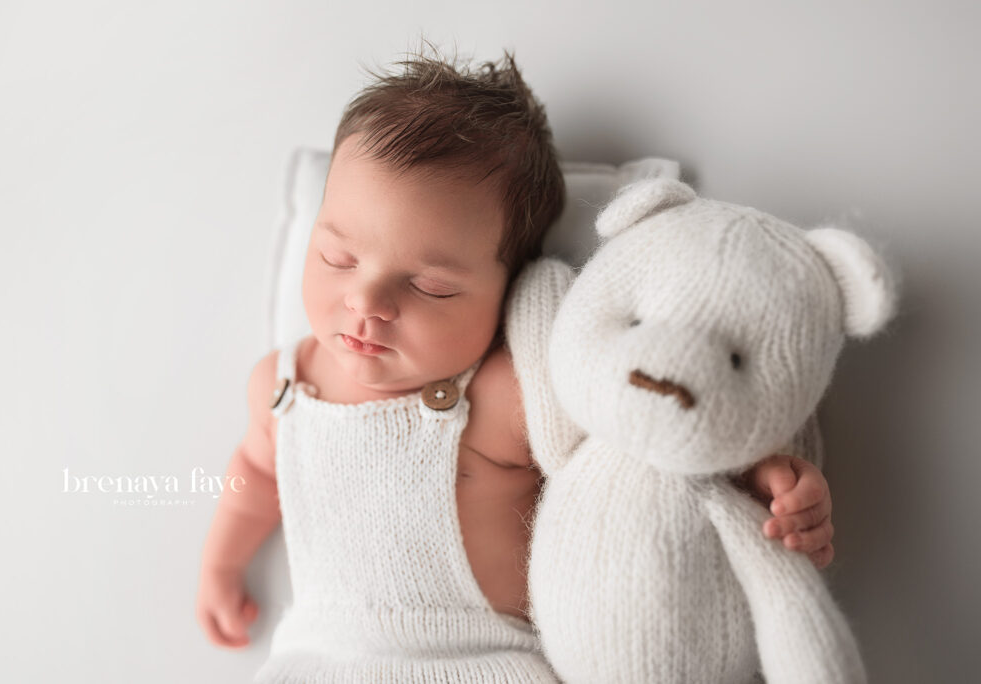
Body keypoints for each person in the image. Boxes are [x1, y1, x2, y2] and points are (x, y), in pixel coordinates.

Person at [195, 47, 837, 681]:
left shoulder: (507, 391)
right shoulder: (281, 386)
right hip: (316, 662)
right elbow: (256, 474)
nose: (366, 302)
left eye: (430, 287)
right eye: (337, 257)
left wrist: (762, 475)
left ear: (508, 289)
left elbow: (644, 441)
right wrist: (223, 567)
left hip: (483, 664)